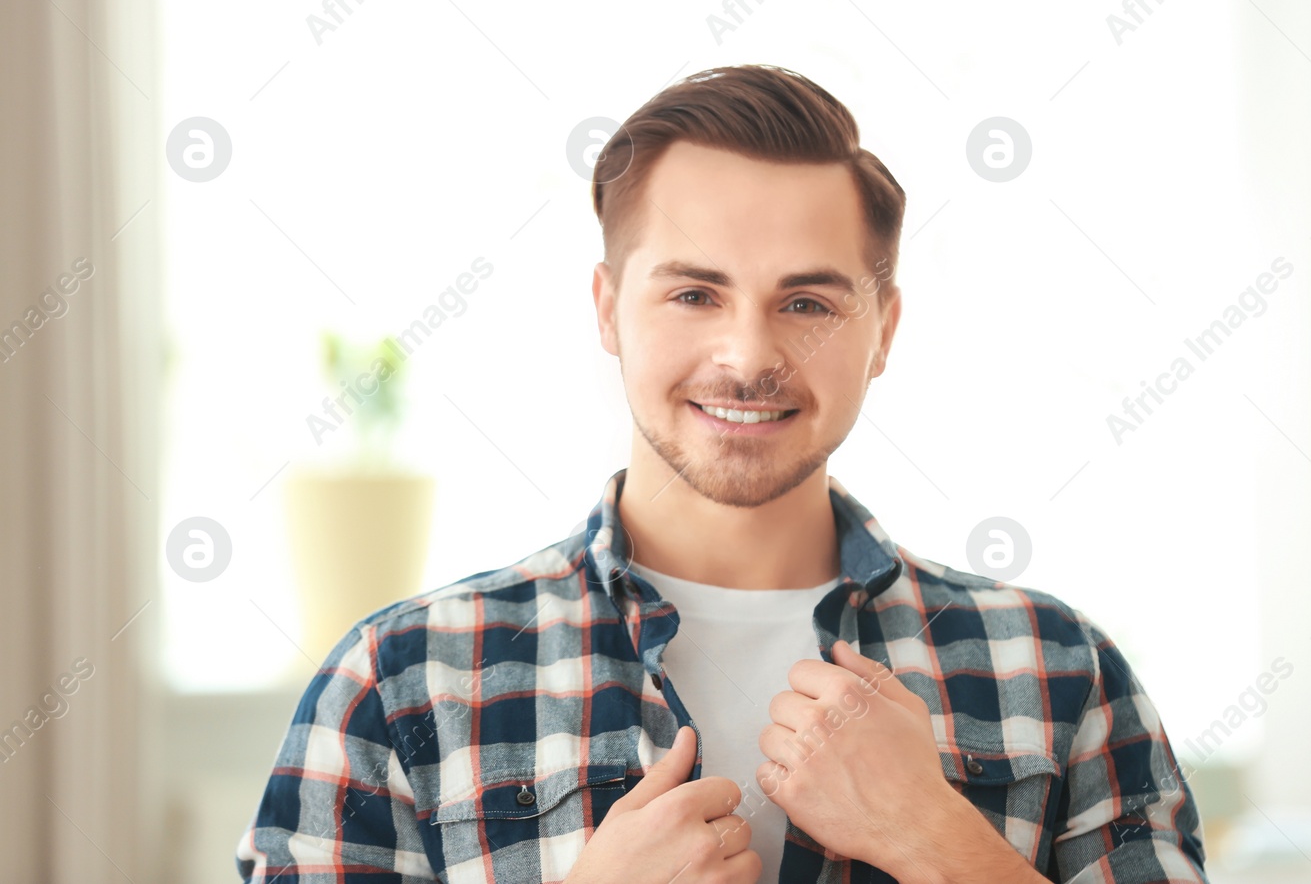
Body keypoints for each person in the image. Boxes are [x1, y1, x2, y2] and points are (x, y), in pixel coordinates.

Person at [236, 64, 1209, 883]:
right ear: (608, 309)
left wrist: (939, 838)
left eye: (808, 302)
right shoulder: (400, 685)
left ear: (886, 331)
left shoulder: (1062, 673)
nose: (748, 354)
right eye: (695, 292)